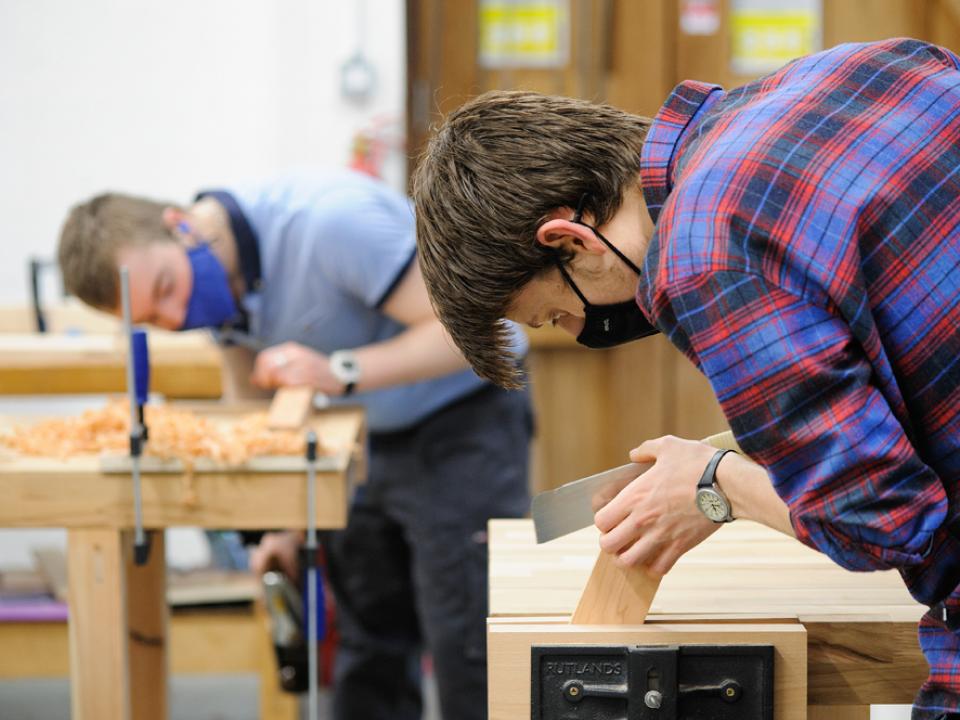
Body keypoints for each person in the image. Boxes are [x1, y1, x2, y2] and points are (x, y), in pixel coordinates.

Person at [411, 38, 960, 720]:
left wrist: (712, 488)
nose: (586, 336)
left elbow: (883, 525)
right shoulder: (857, 67)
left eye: (557, 314)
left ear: (572, 242)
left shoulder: (703, 257)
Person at [57, 168, 533, 720]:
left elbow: (480, 331)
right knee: (366, 646)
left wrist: (338, 370)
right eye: (153, 319)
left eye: (166, 290)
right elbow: (252, 398)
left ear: (179, 225)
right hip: (357, 440)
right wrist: (279, 520)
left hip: (461, 425)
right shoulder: (209, 280)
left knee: (467, 644)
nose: (175, 316)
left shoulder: (333, 224)